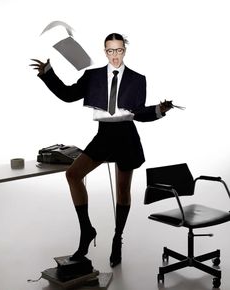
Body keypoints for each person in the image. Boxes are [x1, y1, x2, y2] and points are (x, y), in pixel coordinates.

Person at [30, 33, 172, 267]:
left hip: (127, 136)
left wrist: (159, 109)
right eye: (110, 51)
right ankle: (87, 230)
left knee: (123, 192)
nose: (114, 55)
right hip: (104, 135)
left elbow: (139, 113)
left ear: (124, 50)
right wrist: (48, 74)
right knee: (73, 175)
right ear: (105, 51)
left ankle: (118, 238)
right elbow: (68, 95)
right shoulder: (93, 76)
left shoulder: (138, 79)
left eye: (118, 50)